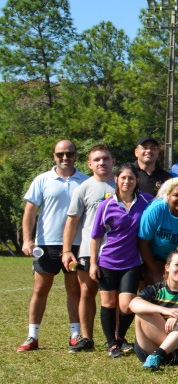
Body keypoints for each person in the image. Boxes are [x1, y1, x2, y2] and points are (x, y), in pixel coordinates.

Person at [90, 163, 153, 357]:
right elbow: (96, 236)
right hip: (107, 262)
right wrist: (93, 263)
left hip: (132, 262)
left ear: (137, 181)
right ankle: (111, 345)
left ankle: (119, 336)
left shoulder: (147, 201)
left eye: (131, 178)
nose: (127, 182)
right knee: (108, 304)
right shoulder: (106, 204)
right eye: (123, 178)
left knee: (127, 305)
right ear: (116, 180)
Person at [62, 144, 117, 352]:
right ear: (89, 164)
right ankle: (86, 338)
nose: (102, 163)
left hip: (117, 251)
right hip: (88, 250)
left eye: (106, 158)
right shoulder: (83, 187)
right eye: (97, 160)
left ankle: (116, 338)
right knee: (87, 292)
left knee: (116, 296)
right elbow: (72, 221)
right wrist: (67, 250)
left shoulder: (122, 184)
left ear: (113, 161)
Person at [128, 249, 178, 371]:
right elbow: (133, 304)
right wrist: (165, 311)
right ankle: (175, 352)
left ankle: (159, 354)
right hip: (151, 348)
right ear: (167, 267)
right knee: (143, 311)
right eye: (177, 265)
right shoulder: (155, 289)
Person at [138, 177, 178, 285]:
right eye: (176, 195)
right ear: (168, 195)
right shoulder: (155, 210)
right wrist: (155, 271)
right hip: (156, 257)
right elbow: (143, 243)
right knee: (159, 286)